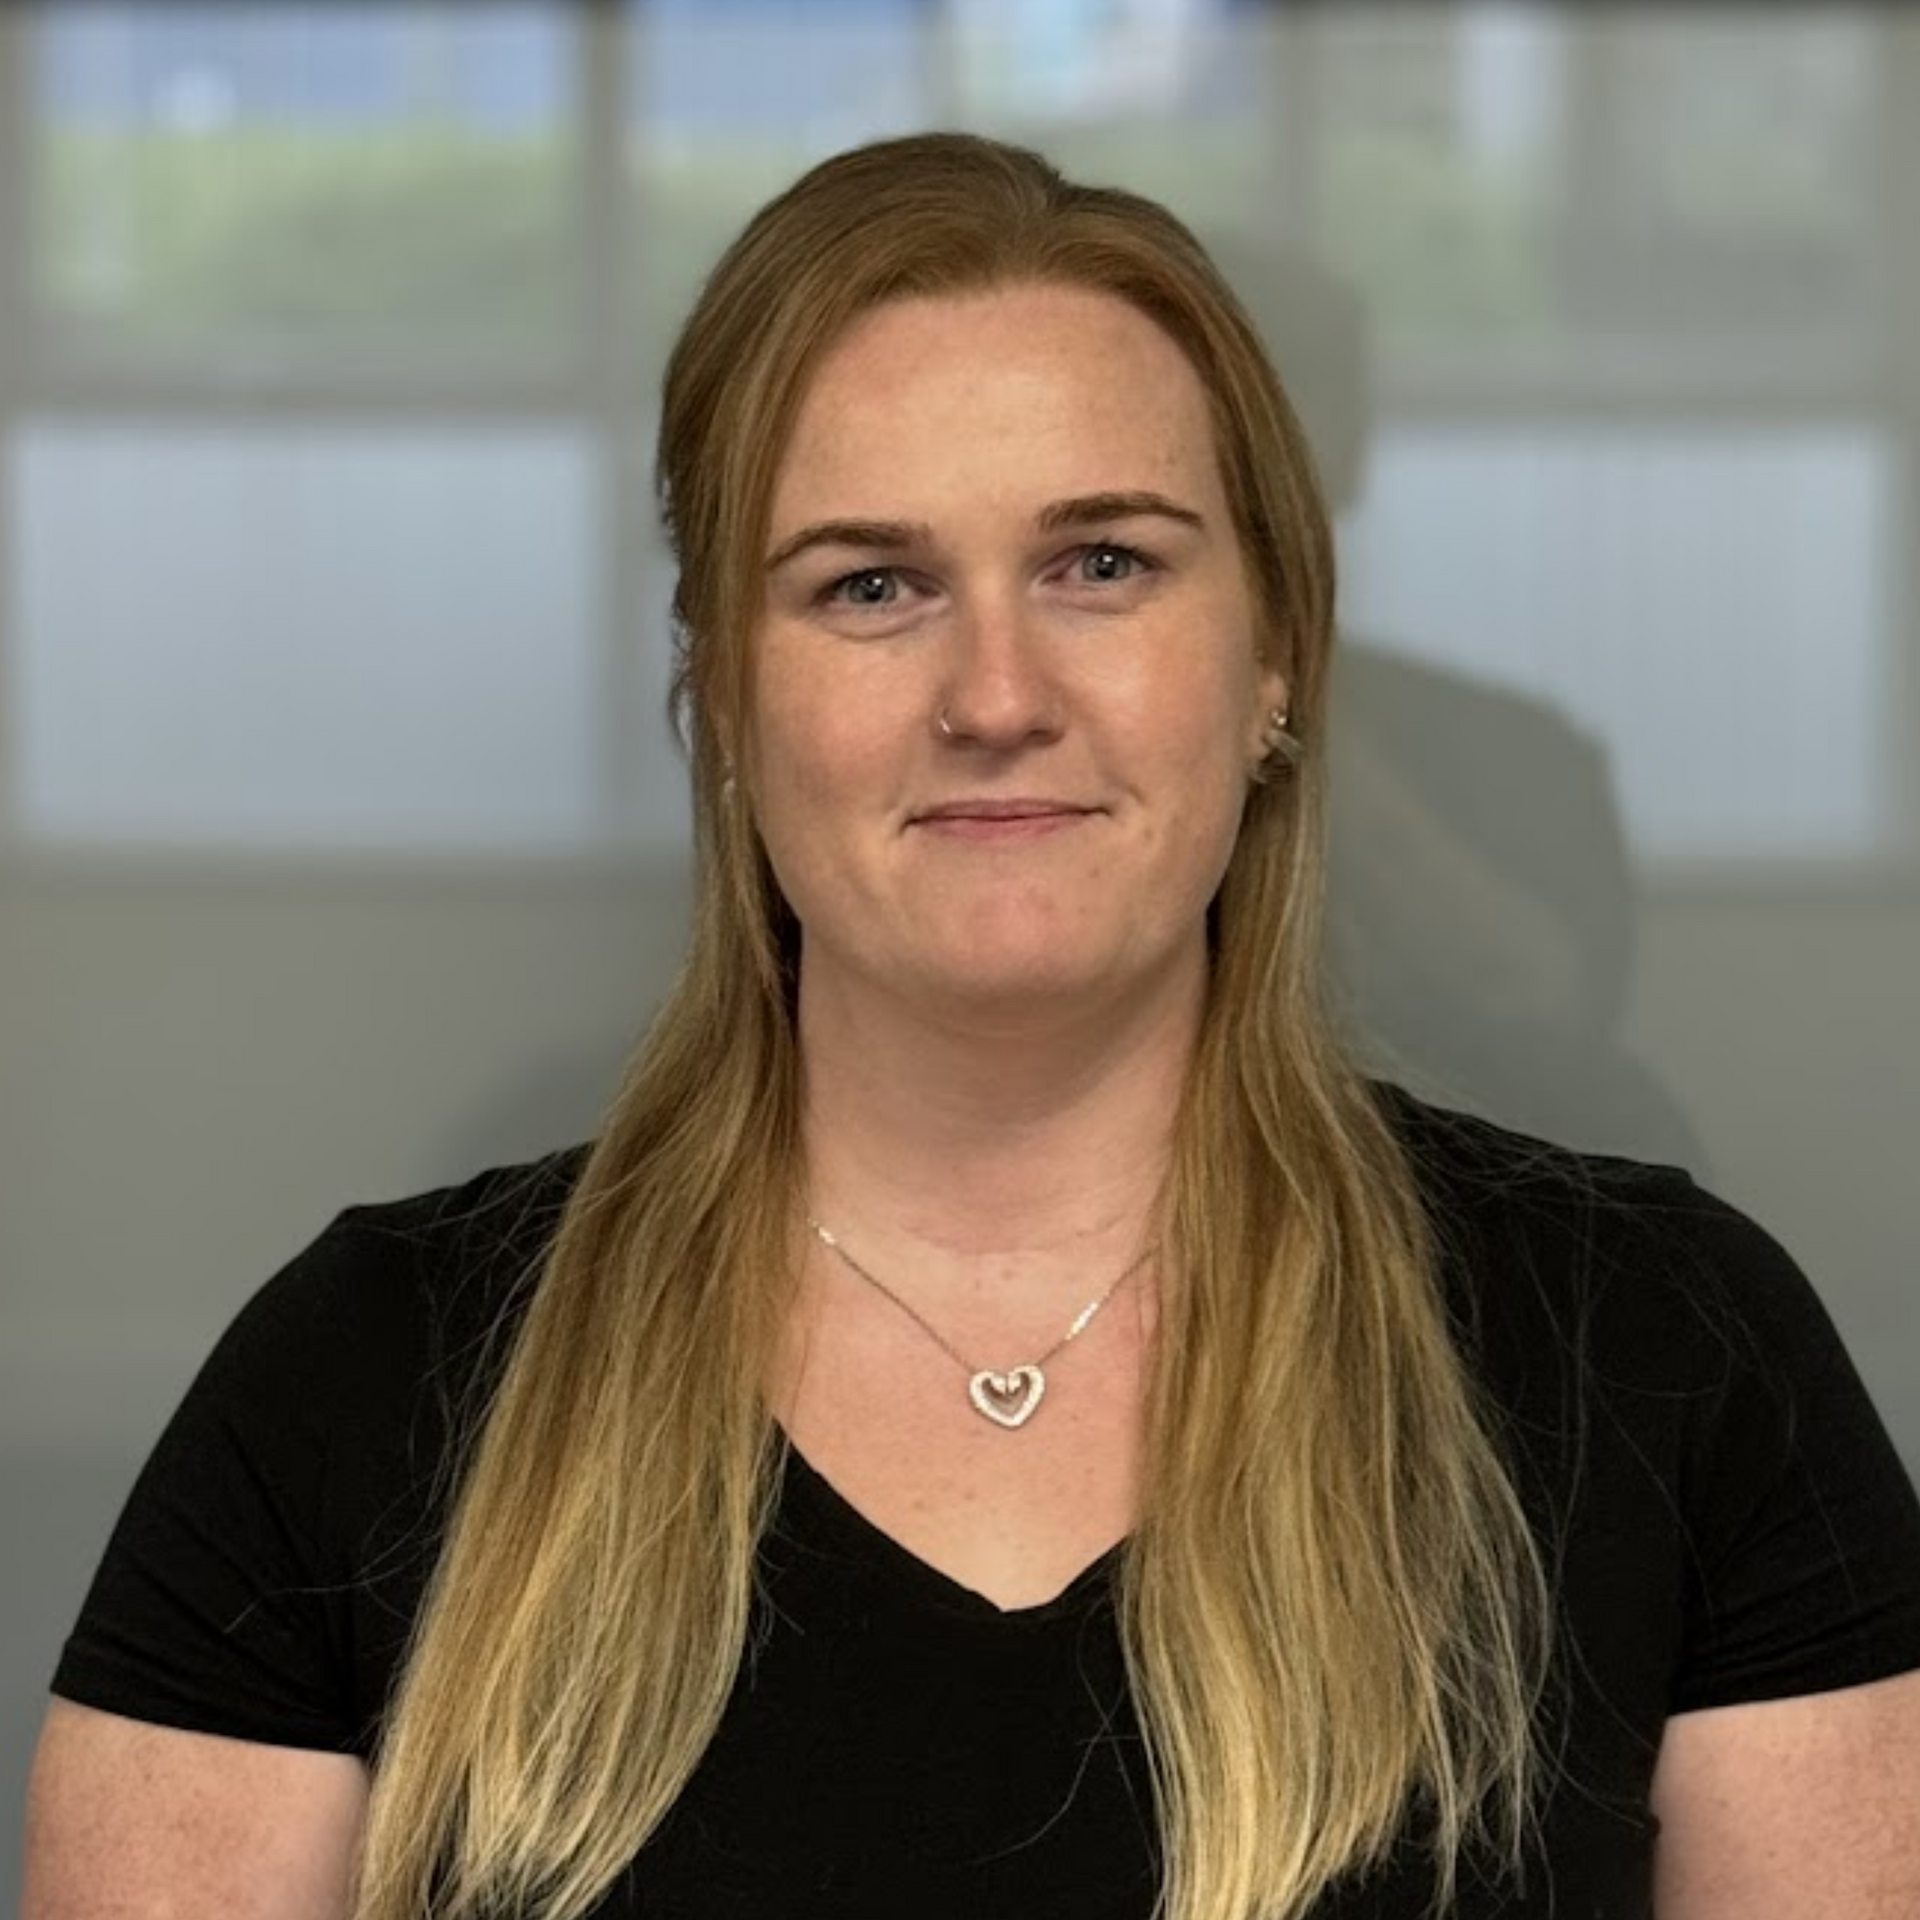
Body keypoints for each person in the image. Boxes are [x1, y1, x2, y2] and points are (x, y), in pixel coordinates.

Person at [22, 132, 1920, 1920]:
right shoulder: (356, 1388)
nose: (995, 693)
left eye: (1105, 563)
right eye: (871, 584)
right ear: (720, 693)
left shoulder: (1672, 1357)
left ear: (1275, 660)